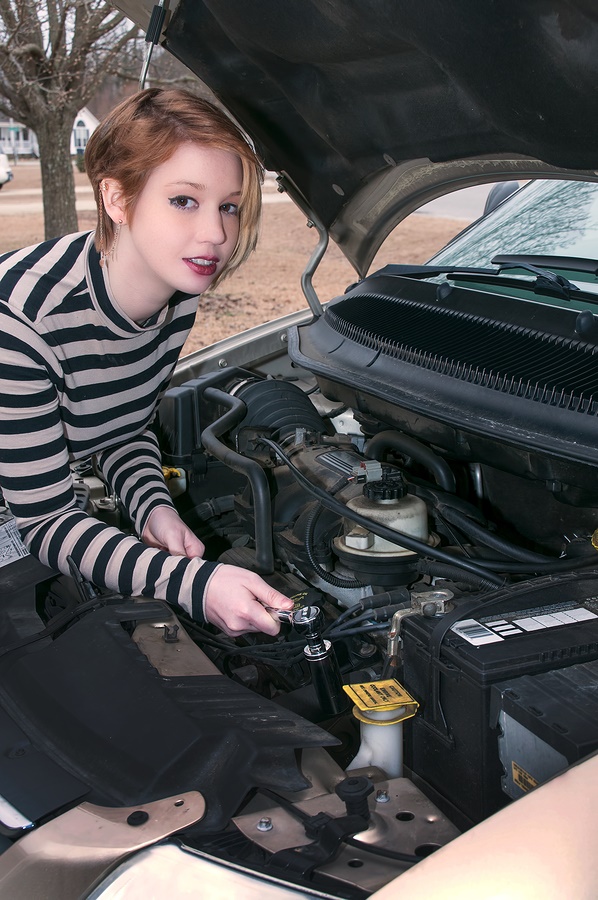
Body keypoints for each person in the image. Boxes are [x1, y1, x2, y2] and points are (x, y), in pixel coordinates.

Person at [0, 87, 293, 637]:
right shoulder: (20, 320)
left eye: (228, 206)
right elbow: (45, 521)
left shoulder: (176, 292)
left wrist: (152, 507)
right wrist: (192, 585)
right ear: (116, 199)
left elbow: (121, 427)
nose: (215, 234)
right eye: (184, 200)